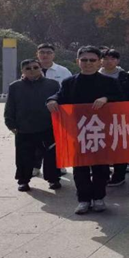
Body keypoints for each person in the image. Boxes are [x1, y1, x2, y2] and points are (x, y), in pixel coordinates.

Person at [47, 46, 123, 214]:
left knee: (100, 167)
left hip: (101, 131)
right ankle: (83, 199)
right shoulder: (69, 82)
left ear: (99, 62)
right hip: (78, 131)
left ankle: (99, 198)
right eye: (84, 60)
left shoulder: (109, 82)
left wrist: (106, 98)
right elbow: (60, 95)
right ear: (78, 61)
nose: (88, 63)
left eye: (92, 60)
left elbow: (120, 99)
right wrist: (52, 100)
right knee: (80, 167)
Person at [4, 59, 61, 192]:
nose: (32, 70)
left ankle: (53, 179)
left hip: (48, 127)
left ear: (41, 68)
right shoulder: (15, 86)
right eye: (28, 68)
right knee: (24, 156)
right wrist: (10, 123)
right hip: (24, 128)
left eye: (35, 67)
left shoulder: (52, 84)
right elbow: (10, 106)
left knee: (51, 156)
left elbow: (61, 102)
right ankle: (23, 181)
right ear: (22, 71)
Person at [34, 43, 72, 177]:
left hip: (57, 112)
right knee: (37, 141)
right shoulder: (31, 69)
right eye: (42, 52)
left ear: (53, 55)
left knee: (57, 141)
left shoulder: (63, 71)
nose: (45, 55)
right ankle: (36, 165)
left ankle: (59, 165)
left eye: (48, 52)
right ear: (37, 54)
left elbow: (69, 91)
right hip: (36, 112)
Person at [100, 49, 129, 187]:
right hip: (99, 117)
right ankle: (103, 174)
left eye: (112, 58)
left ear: (118, 61)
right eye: (105, 58)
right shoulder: (95, 76)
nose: (109, 61)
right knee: (102, 145)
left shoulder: (126, 77)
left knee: (120, 146)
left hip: (121, 116)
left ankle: (119, 175)